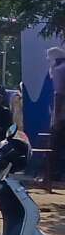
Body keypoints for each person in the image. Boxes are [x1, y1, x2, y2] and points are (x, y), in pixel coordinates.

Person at [49, 46, 65, 181]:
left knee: (56, 146)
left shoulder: (60, 70)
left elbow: (59, 95)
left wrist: (56, 119)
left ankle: (54, 175)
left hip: (63, 117)